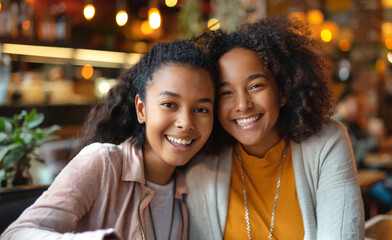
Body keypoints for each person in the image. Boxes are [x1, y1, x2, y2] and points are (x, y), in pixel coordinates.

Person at [1, 40, 217, 240]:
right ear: (142, 109)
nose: (186, 123)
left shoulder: (192, 186)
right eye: (169, 104)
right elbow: (15, 234)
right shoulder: (103, 163)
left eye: (201, 109)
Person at [185, 18, 364, 240]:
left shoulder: (327, 142)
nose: (242, 105)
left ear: (283, 91)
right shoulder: (201, 163)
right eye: (226, 93)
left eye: (256, 86)